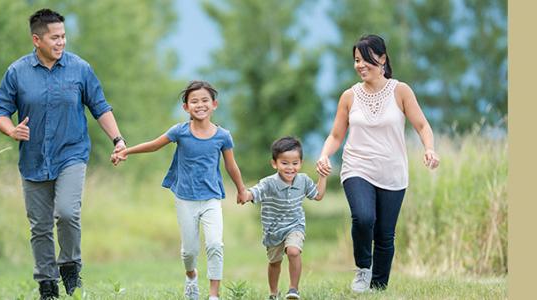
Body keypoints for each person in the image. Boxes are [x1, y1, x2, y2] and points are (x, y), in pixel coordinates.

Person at [0, 8, 126, 300]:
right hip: (33, 158)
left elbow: (100, 107)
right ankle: (47, 285)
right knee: (40, 227)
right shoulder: (17, 72)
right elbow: (0, 111)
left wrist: (117, 139)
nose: (61, 42)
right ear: (36, 40)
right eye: (55, 38)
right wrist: (11, 130)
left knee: (67, 212)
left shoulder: (80, 69)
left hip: (72, 154)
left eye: (64, 36)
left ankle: (70, 265)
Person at [316, 34, 440, 293]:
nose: (360, 65)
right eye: (356, 60)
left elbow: (422, 125)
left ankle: (378, 287)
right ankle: (363, 270)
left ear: (382, 59)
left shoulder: (401, 91)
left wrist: (429, 149)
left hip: (392, 170)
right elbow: (337, 134)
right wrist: (325, 154)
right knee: (363, 218)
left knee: (385, 234)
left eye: (366, 59)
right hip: (357, 167)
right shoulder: (349, 96)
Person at [111, 80, 247, 300]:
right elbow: (155, 145)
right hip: (185, 199)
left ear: (214, 104)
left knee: (215, 244)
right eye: (194, 101)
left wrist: (241, 189)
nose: (200, 105)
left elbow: (231, 165)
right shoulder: (180, 131)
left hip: (212, 198)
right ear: (186, 107)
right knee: (189, 251)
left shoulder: (223, 136)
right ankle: (191, 277)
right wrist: (127, 152)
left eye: (205, 100)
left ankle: (214, 295)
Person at [238, 137, 328, 300]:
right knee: (274, 263)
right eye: (284, 163)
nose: (290, 168)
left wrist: (323, 176)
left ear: (300, 163)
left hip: (295, 226)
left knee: (293, 251)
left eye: (295, 163)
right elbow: (255, 191)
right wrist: (245, 195)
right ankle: (273, 293)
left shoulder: (304, 180)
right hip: (273, 231)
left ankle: (293, 289)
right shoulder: (269, 183)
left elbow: (318, 195)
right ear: (274, 163)